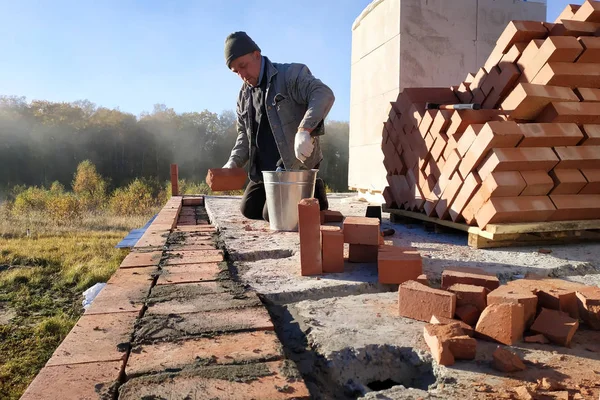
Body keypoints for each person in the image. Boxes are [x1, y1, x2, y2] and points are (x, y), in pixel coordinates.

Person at [221, 31, 335, 221]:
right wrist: (233, 163)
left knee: (273, 216)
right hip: (266, 172)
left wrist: (304, 130)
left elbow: (323, 93)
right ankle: (290, 197)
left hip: (294, 166)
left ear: (256, 54)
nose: (242, 75)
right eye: (236, 72)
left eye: (243, 66)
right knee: (249, 210)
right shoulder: (243, 96)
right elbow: (244, 134)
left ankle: (314, 190)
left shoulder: (290, 75)